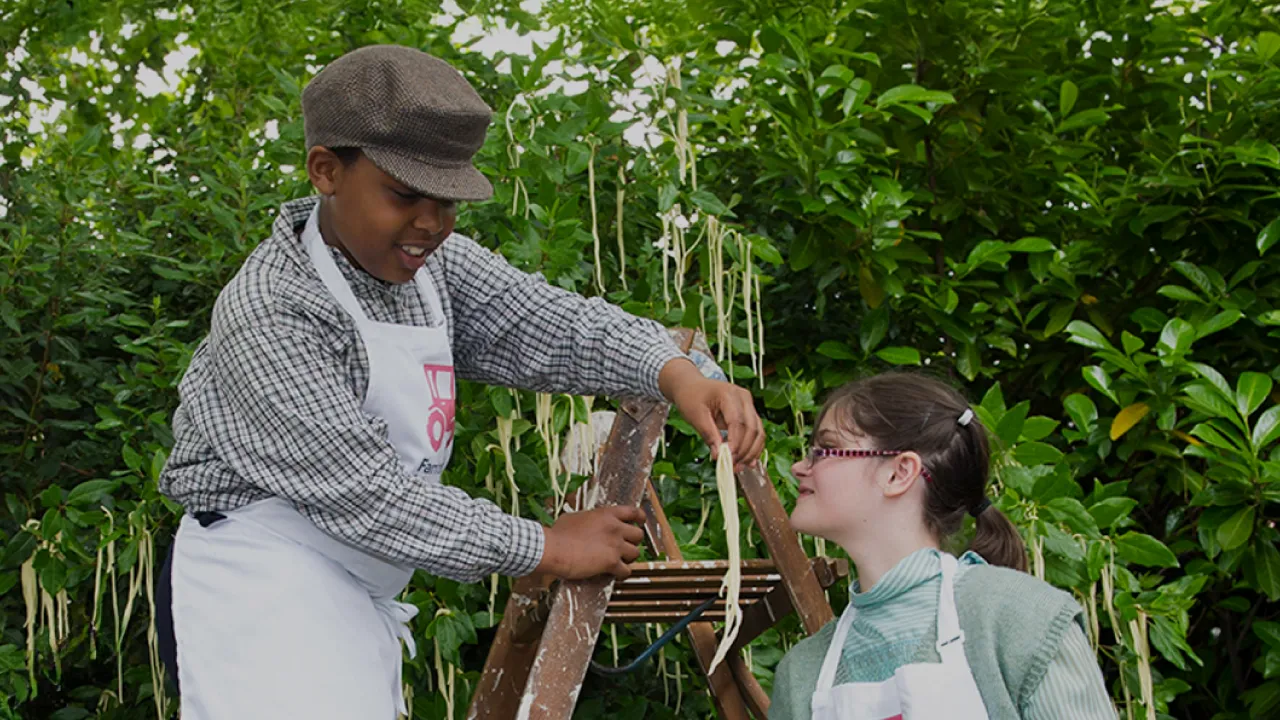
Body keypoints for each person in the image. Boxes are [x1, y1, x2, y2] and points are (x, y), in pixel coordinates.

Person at [154, 45, 763, 720]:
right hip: (264, 582)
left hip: (354, 582)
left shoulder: (431, 267)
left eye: (448, 201)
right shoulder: (272, 311)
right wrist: (546, 545)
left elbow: (549, 325)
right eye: (405, 195)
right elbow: (370, 497)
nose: (431, 223)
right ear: (326, 170)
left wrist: (675, 372)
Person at [768, 373, 1116, 720]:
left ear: (898, 472)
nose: (800, 467)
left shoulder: (1019, 621)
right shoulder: (802, 675)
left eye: (824, 450)